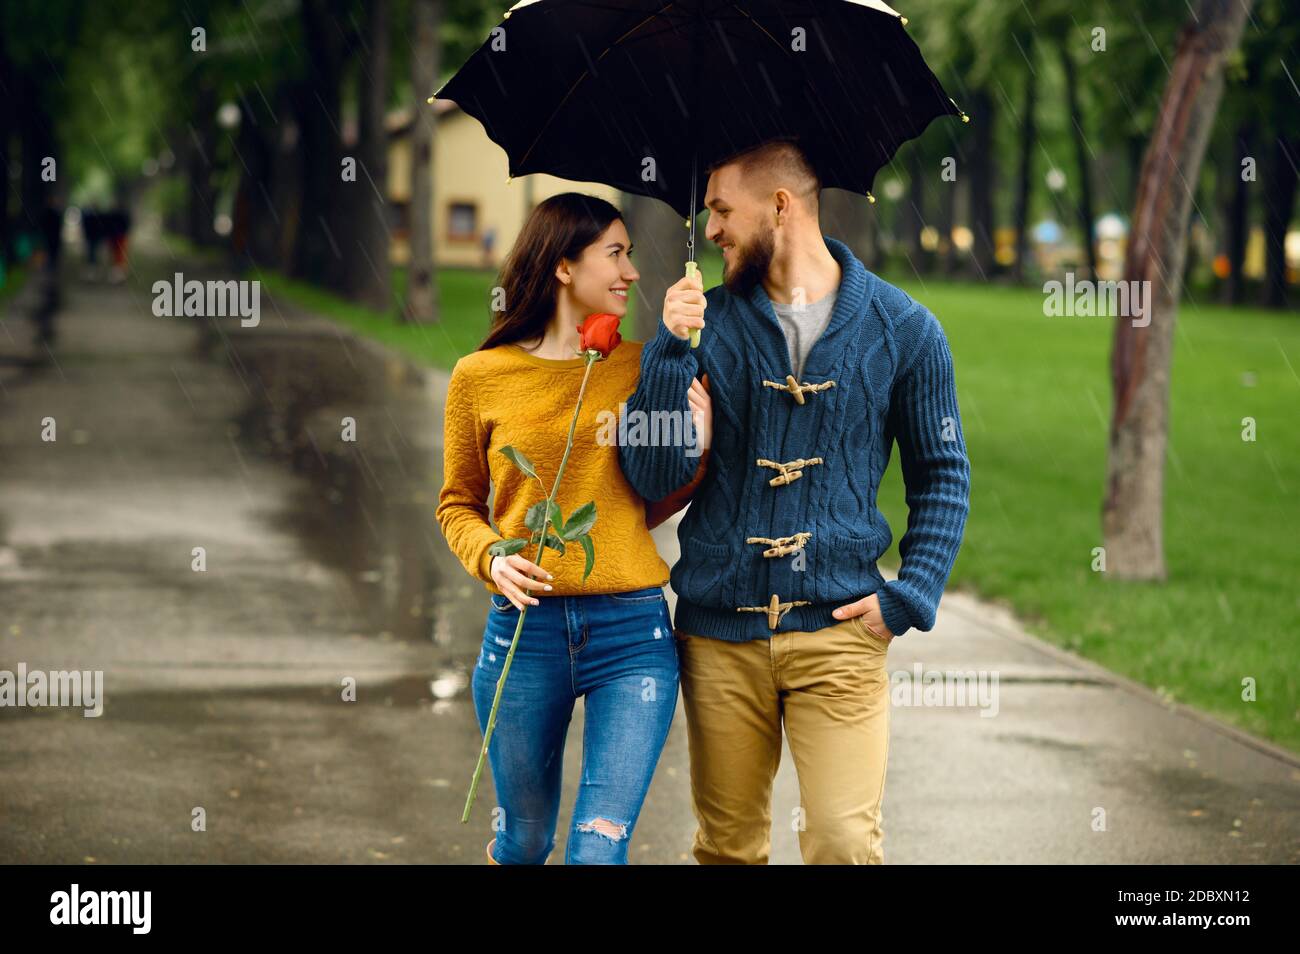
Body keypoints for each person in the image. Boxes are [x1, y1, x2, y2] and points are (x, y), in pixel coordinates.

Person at [618, 139, 971, 864]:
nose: (710, 230)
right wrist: (669, 352)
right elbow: (652, 477)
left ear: (781, 205)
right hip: (720, 636)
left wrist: (910, 594)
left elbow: (943, 475)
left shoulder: (906, 331)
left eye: (721, 210)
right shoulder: (704, 324)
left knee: (843, 843)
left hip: (842, 634)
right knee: (728, 848)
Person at [436, 192, 711, 864]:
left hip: (632, 632)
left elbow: (648, 497)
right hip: (524, 635)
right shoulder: (480, 377)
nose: (631, 272)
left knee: (597, 850)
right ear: (563, 266)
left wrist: (695, 450)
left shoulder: (644, 366)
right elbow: (457, 504)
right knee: (524, 841)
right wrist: (492, 557)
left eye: (631, 255)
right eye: (614, 254)